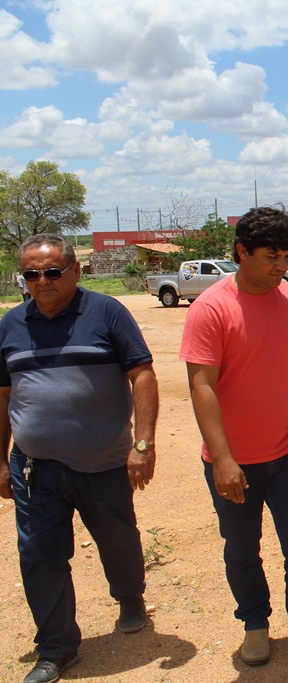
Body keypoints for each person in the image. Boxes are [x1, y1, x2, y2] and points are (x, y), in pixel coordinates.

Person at [179, 206, 288, 680]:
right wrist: (222, 458)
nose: (282, 266)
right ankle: (254, 624)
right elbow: (202, 386)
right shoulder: (211, 308)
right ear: (242, 252)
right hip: (234, 459)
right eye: (272, 256)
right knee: (242, 548)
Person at [0, 234, 158, 683]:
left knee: (117, 539)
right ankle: (55, 648)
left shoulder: (107, 312)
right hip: (35, 467)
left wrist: (142, 444)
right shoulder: (10, 325)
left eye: (52, 271)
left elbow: (142, 375)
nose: (42, 281)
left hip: (104, 462)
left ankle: (130, 598)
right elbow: (4, 395)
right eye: (31, 273)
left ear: (75, 270)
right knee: (38, 555)